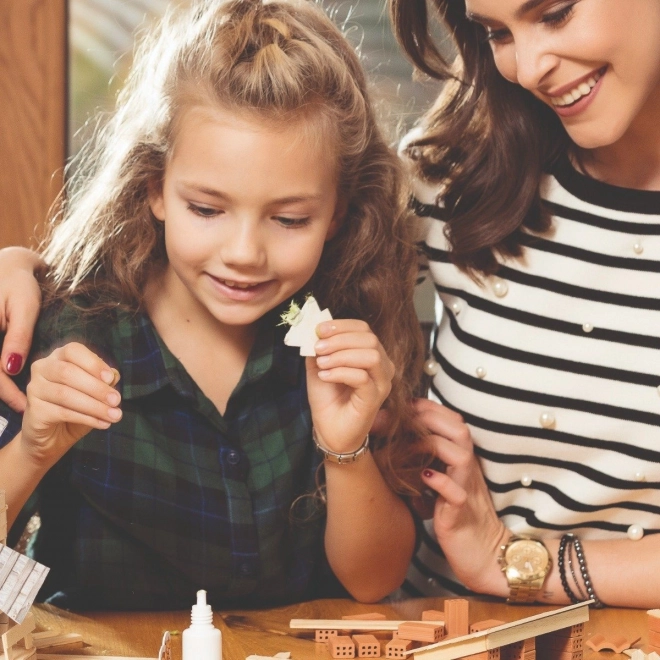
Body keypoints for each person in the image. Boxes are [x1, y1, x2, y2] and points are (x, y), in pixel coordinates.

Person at [0, 0, 426, 610]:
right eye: (207, 209)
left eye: (289, 219)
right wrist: (32, 450)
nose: (244, 253)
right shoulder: (59, 333)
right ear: (156, 191)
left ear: (335, 215)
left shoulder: (345, 340)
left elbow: (373, 582)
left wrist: (346, 447)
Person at [386, 0, 660, 608]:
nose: (530, 67)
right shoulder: (451, 179)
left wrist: (510, 564)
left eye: (556, 13)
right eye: (497, 33)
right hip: (436, 637)